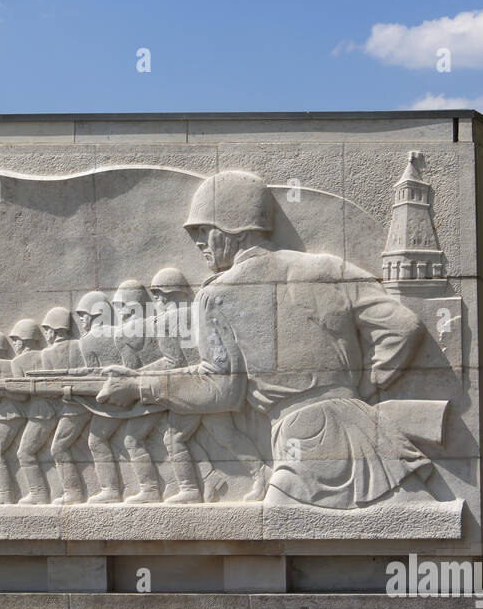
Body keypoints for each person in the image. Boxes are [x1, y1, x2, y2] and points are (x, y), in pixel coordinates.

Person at [96, 168, 430, 509]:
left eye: (203, 230)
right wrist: (364, 388)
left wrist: (140, 385)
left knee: (275, 532)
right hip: (365, 428)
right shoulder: (327, 268)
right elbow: (404, 326)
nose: (197, 241)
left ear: (232, 228)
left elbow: (222, 389)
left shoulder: (220, 293)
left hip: (306, 436)